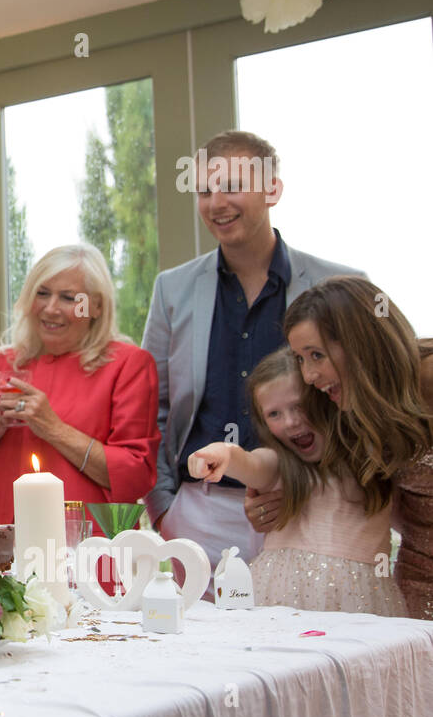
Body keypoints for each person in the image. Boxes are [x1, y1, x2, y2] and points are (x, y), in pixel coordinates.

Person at [142, 130, 363, 575]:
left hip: (309, 508)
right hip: (197, 516)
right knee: (198, 645)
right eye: (204, 190)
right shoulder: (172, 288)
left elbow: (362, 408)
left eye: (232, 186)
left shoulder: (340, 287)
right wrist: (166, 506)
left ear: (272, 189)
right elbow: (153, 408)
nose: (216, 203)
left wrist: (309, 487)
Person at [189, 348, 404, 615]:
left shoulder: (372, 458)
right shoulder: (280, 465)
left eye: (298, 406)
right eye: (274, 414)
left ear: (326, 400)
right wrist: (221, 453)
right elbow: (249, 462)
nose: (290, 422)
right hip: (279, 602)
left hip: (363, 602)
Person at [0, 244, 159, 528]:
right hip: (4, 543)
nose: (51, 308)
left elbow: (136, 476)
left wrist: (54, 428)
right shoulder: (0, 365)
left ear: (97, 306)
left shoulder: (128, 364)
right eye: (42, 293)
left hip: (88, 544)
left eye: (68, 298)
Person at [282, 277, 433, 620]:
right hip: (417, 585)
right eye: (300, 359)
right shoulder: (346, 411)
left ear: (363, 343)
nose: (308, 375)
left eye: (316, 355)